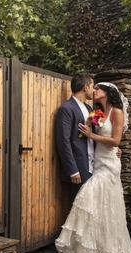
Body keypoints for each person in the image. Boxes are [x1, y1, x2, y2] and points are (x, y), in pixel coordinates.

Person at [55, 82, 131, 253]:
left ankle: (107, 251)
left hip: (109, 164)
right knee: (99, 206)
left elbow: (116, 140)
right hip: (96, 162)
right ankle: (96, 248)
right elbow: (84, 133)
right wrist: (87, 134)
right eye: (94, 87)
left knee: (91, 197)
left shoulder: (116, 111)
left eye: (98, 89)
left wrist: (95, 137)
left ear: (108, 93)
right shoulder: (96, 111)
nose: (95, 91)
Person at [55, 74, 95, 206]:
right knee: (79, 207)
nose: (94, 90)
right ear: (86, 87)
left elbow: (91, 134)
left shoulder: (89, 109)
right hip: (79, 166)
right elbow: (63, 141)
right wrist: (72, 169)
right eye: (92, 86)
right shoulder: (66, 108)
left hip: (93, 164)